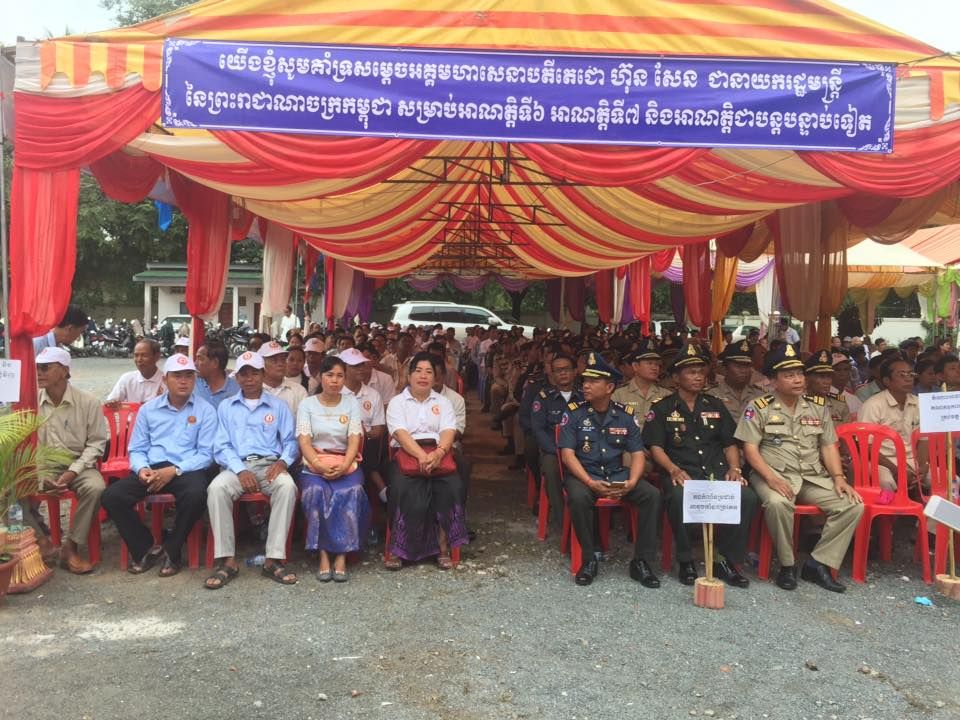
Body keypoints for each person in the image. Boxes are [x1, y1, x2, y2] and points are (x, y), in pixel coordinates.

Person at [734, 344, 864, 593]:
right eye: (789, 375)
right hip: (772, 474)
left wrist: (839, 478)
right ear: (773, 380)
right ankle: (787, 565)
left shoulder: (817, 407)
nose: (797, 380)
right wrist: (771, 478)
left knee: (852, 505)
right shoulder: (758, 407)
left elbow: (828, 446)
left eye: (799, 374)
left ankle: (817, 563)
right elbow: (750, 449)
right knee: (778, 503)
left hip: (811, 476)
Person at [643, 344, 756, 587]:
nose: (697, 377)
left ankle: (723, 559)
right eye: (691, 372)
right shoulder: (662, 407)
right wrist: (672, 469)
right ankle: (685, 560)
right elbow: (655, 447)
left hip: (716, 473)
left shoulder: (715, 405)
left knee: (747, 497)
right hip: (683, 472)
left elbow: (729, 443)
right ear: (676, 378)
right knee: (677, 497)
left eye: (701, 372)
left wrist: (734, 469)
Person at [101, 355, 217, 577]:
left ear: (194, 380)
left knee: (196, 495)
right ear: (165, 379)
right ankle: (146, 548)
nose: (183, 381)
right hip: (153, 468)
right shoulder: (149, 409)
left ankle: (173, 549)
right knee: (112, 497)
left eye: (188, 376)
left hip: (185, 468)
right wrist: (142, 469)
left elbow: (206, 454)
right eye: (177, 376)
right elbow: (137, 448)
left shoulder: (205, 410)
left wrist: (174, 470)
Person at [558, 353, 661, 588]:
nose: (586, 385)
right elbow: (567, 455)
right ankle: (589, 559)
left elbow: (637, 453)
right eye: (585, 380)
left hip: (616, 474)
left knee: (652, 495)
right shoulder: (573, 413)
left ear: (609, 387)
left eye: (593, 381)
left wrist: (632, 481)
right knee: (578, 497)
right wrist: (589, 482)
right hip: (584, 475)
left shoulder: (625, 416)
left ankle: (641, 562)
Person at [205, 352, 299, 589]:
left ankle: (273, 559)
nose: (249, 379)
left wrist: (283, 462)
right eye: (244, 374)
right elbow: (221, 445)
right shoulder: (226, 407)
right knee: (216, 489)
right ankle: (227, 560)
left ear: (263, 375)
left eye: (254, 373)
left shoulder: (278, 406)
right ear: (237, 378)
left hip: (269, 465)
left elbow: (290, 441)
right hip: (236, 467)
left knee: (287, 487)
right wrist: (240, 470)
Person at [27, 347, 108, 574]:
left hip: (78, 464)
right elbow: (25, 445)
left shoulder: (88, 402)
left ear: (63, 371)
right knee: (10, 490)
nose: (39, 372)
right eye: (37, 368)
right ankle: (42, 541)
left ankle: (70, 546)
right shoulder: (30, 403)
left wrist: (73, 471)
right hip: (42, 466)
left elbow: (96, 443)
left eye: (45, 368)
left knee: (96, 487)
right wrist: (41, 474)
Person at [384, 352, 467, 570]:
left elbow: (448, 430)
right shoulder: (397, 402)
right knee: (403, 490)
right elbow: (400, 433)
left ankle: (442, 547)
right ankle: (401, 549)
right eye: (418, 371)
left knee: (452, 487)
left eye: (428, 372)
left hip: (438, 452)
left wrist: (438, 454)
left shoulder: (443, 402)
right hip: (407, 453)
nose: (423, 376)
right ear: (409, 375)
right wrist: (421, 455)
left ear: (435, 377)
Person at [297, 356, 368, 582]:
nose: (335, 380)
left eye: (339, 376)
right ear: (320, 377)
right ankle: (323, 554)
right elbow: (304, 441)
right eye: (329, 375)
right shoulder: (307, 404)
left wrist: (345, 465)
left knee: (351, 491)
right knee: (315, 492)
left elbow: (354, 438)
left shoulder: (351, 403)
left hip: (345, 461)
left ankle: (342, 555)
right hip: (314, 462)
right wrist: (318, 465)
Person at [857, 358, 925, 499]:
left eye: (911, 374)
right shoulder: (873, 405)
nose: (908, 378)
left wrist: (923, 466)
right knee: (886, 482)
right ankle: (889, 512)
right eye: (901, 375)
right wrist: (897, 470)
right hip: (882, 461)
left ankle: (928, 515)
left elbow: (925, 439)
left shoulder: (919, 403)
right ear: (887, 381)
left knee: (949, 479)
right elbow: (866, 446)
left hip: (912, 460)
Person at [531, 353, 583, 531]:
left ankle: (592, 521)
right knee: (551, 469)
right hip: (553, 451)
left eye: (566, 369)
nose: (562, 373)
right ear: (552, 374)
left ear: (575, 371)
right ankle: (565, 523)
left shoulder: (585, 396)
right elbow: (538, 429)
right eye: (558, 370)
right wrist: (558, 451)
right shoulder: (543, 397)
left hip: (582, 450)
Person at [340, 348, 388, 505]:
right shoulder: (335, 392)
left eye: (362, 364)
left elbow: (379, 429)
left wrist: (364, 434)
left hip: (365, 443)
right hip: (338, 441)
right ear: (343, 368)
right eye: (355, 366)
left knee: (362, 441)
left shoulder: (373, 395)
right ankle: (379, 484)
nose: (361, 369)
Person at [611, 340, 670, 430]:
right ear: (635, 366)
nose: (654, 368)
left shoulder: (666, 395)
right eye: (649, 363)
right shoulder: (618, 395)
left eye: (657, 364)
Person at [708, 340, 767, 419]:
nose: (743, 371)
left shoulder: (760, 395)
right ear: (725, 369)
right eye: (738, 366)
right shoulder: (712, 395)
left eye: (747, 366)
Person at [105, 339, 165, 406]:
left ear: (157, 357)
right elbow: (111, 401)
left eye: (144, 355)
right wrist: (112, 403)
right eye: (136, 355)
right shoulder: (127, 379)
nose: (139, 360)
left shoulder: (166, 381)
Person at [259, 341, 308, 415]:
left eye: (283, 359)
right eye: (274, 360)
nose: (280, 364)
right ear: (261, 363)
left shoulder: (299, 391)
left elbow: (304, 420)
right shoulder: (252, 391)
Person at [804, 350, 851, 425]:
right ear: (807, 379)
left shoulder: (839, 404)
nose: (827, 382)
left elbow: (846, 430)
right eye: (821, 377)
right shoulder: (796, 403)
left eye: (829, 377)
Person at [194, 340, 240, 409]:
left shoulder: (237, 389)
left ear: (215, 363)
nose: (195, 363)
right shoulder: (193, 384)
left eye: (200, 359)